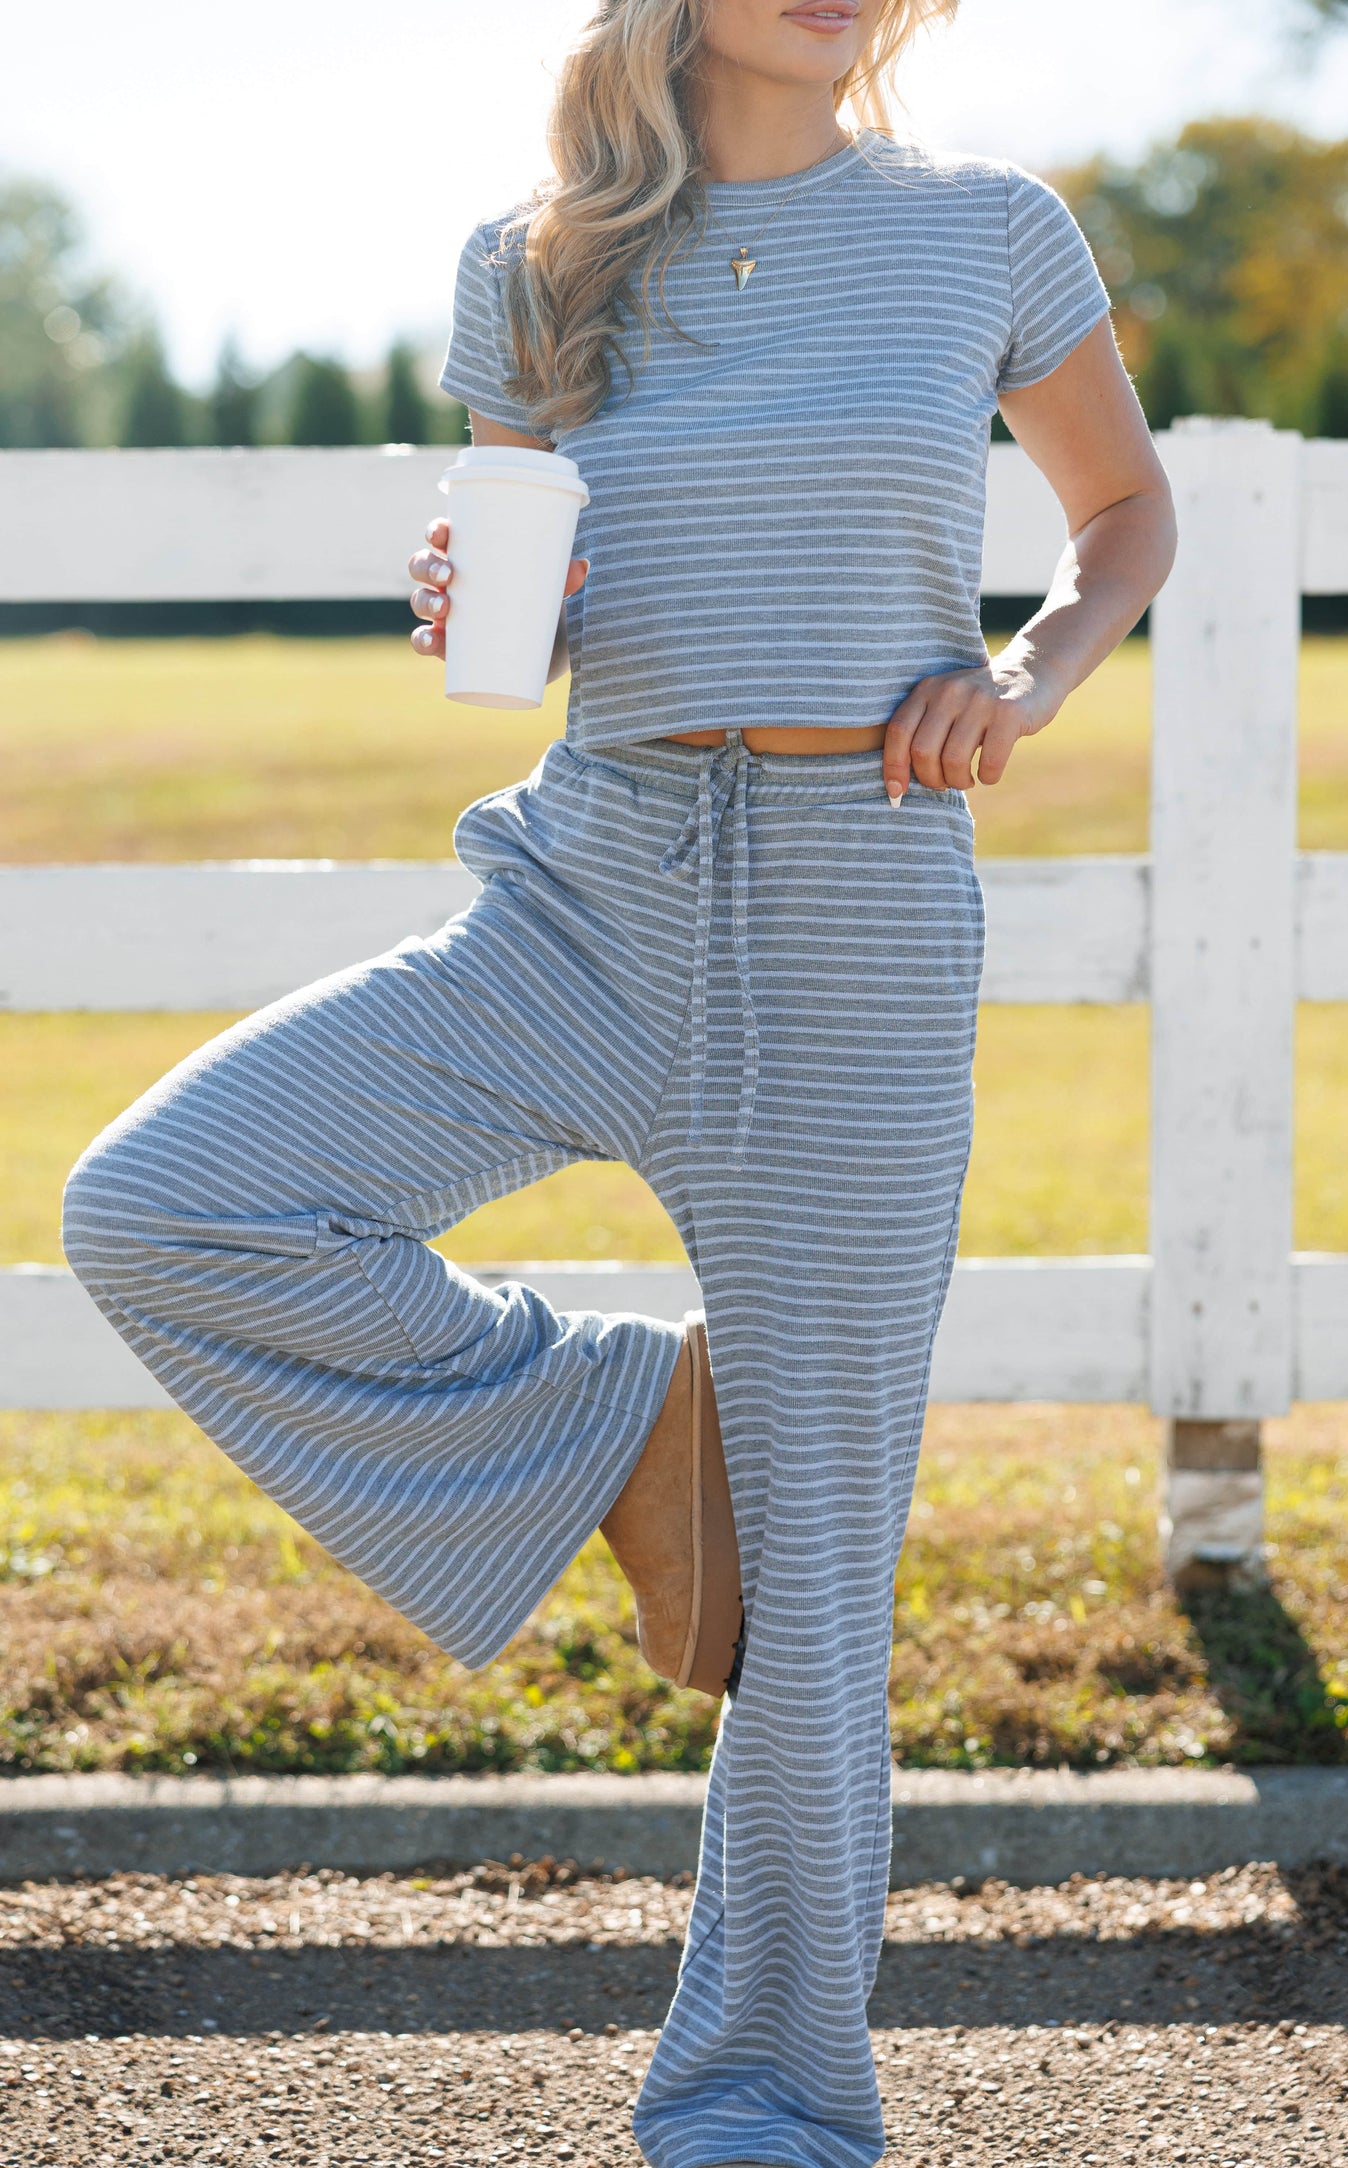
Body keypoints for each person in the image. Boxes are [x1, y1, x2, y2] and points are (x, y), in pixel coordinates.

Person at [63, 1, 1176, 2161]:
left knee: (818, 1573)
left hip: (858, 902)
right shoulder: (536, 260)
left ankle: (766, 2105)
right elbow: (532, 616)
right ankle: (627, 1430)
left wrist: (1026, 673)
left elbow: (1122, 507)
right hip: (589, 883)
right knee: (168, 1205)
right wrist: (483, 606)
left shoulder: (985, 229)